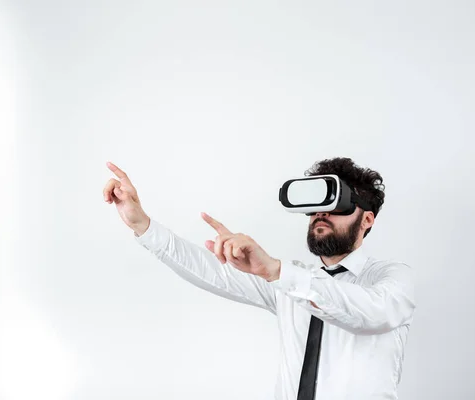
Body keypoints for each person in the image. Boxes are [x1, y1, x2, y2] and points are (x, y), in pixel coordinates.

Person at [103, 157, 416, 400]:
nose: (322, 213)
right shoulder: (291, 282)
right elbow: (211, 272)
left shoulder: (389, 278)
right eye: (317, 205)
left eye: (337, 204)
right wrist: (142, 225)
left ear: (367, 219)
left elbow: (370, 313)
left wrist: (278, 272)